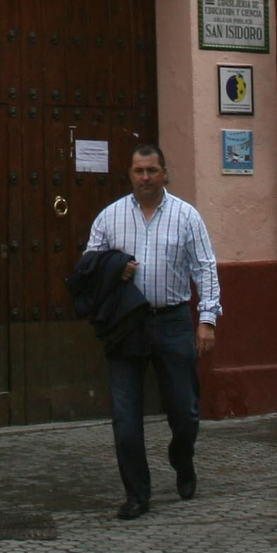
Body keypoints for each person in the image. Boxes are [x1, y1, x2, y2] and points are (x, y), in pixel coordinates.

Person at [85, 143, 222, 520]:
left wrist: (207, 319)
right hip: (127, 324)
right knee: (125, 416)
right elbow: (89, 266)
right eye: (139, 171)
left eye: (152, 170)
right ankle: (137, 494)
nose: (145, 177)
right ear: (130, 175)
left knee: (185, 410)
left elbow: (205, 269)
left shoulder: (186, 216)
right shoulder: (109, 217)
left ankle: (183, 457)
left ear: (165, 173)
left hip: (173, 319)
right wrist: (114, 268)